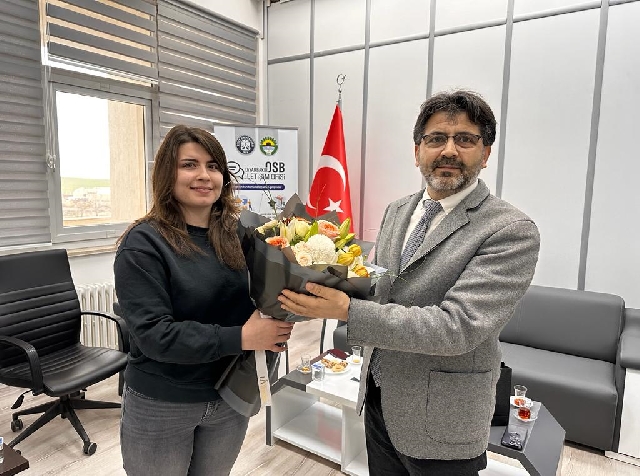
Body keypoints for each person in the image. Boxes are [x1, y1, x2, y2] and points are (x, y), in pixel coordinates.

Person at [278, 90, 540, 476]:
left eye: (465, 139)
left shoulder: (510, 229)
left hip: (443, 420)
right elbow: (381, 286)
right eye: (436, 138)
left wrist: (348, 311)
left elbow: (457, 328)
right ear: (417, 151)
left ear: (485, 154)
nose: (448, 150)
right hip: (378, 396)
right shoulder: (397, 210)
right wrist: (310, 282)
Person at [114, 125, 294, 476]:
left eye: (213, 166)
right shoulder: (144, 244)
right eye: (189, 165)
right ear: (167, 173)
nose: (204, 175)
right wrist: (243, 337)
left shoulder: (238, 234)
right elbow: (155, 335)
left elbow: (264, 292)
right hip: (164, 403)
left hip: (231, 394)